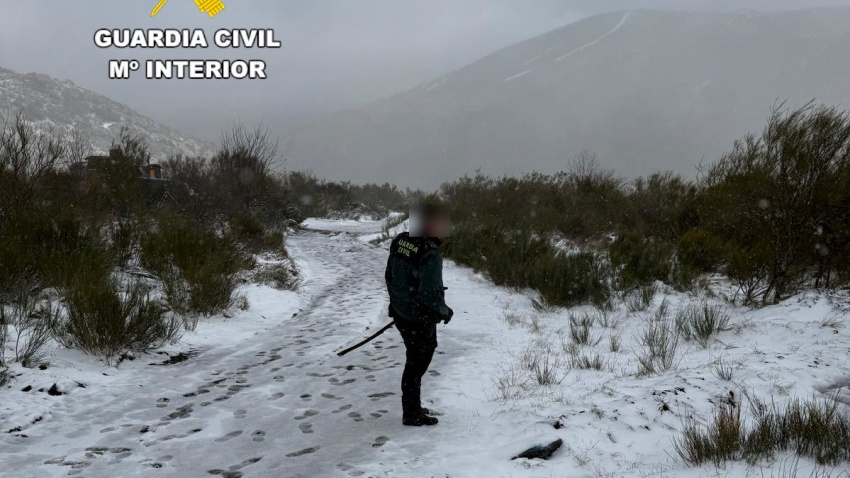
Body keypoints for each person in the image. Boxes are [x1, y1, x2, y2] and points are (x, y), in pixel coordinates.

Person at [384, 204, 453, 426]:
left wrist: (398, 303)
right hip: (418, 319)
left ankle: (413, 407)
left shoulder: (400, 241)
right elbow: (430, 293)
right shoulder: (429, 252)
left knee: (414, 359)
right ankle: (412, 413)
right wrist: (444, 311)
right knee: (417, 363)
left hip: (401, 314)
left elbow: (389, 275)